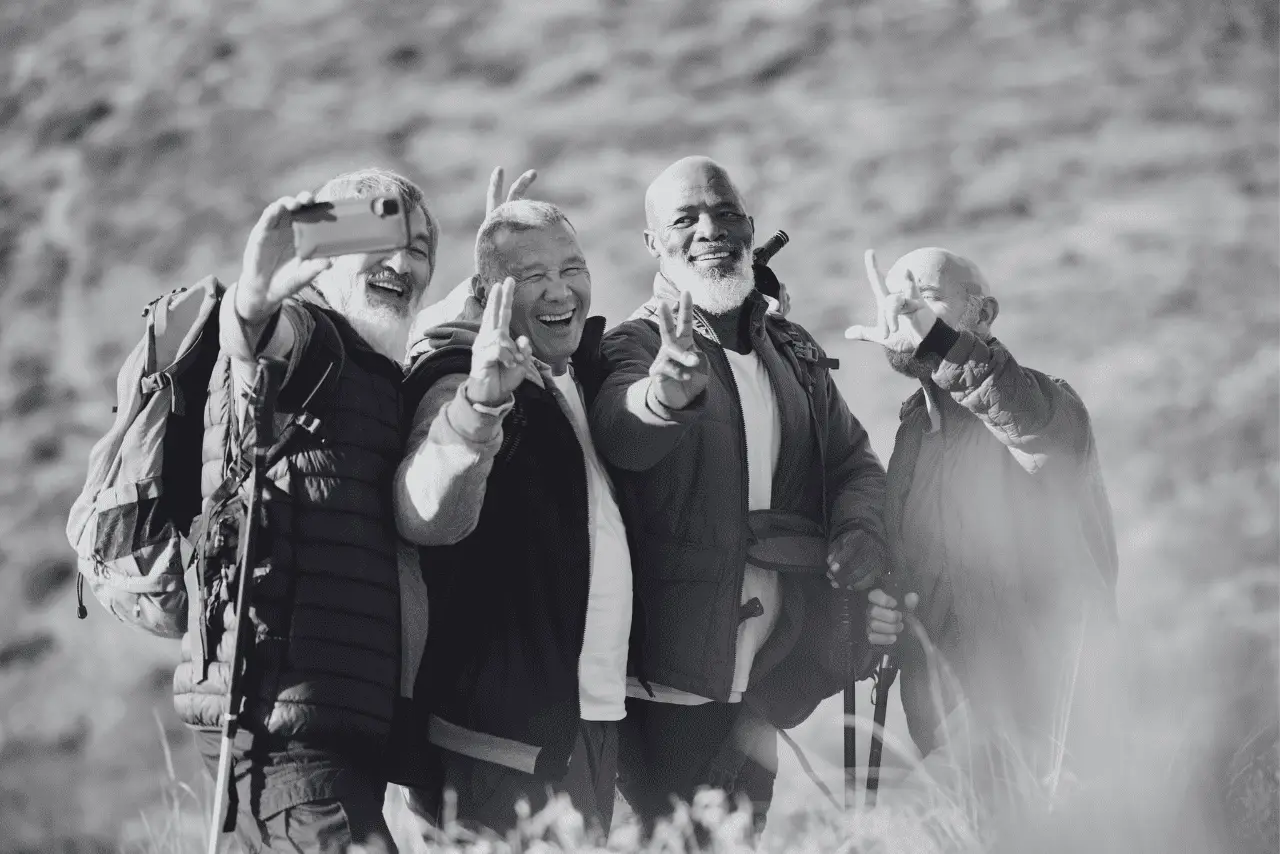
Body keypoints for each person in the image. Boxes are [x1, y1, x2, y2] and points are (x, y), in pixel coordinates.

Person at [588, 156, 888, 832]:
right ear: (651, 244)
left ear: (750, 227)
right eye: (685, 219)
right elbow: (621, 430)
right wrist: (663, 395)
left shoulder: (794, 353)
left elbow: (853, 464)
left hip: (768, 683)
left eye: (725, 213)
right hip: (653, 691)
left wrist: (858, 534)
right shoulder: (632, 346)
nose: (709, 229)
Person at [173, 167, 437, 852]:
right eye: (381, 240)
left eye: (421, 249)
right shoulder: (315, 335)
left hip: (293, 727)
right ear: (325, 254)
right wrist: (255, 299)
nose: (403, 264)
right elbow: (258, 343)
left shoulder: (373, 363)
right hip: (291, 739)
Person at [394, 199, 629, 838]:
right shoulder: (460, 381)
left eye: (572, 268)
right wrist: (477, 409)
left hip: (588, 718)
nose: (560, 290)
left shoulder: (577, 374)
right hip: (490, 743)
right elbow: (425, 513)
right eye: (533, 277)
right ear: (484, 293)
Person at [853, 247, 1119, 785]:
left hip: (1054, 731)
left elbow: (1029, 428)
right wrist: (883, 616)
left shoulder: (1045, 404)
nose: (901, 311)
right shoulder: (912, 432)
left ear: (984, 313)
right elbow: (925, 575)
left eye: (924, 297)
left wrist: (937, 344)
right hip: (952, 737)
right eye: (895, 298)